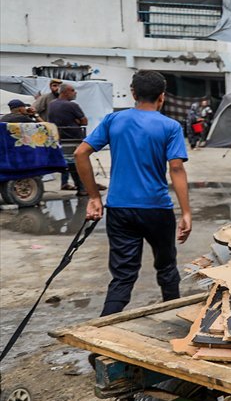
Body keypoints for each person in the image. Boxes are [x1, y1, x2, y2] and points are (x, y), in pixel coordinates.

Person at [75, 71, 191, 316]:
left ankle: (103, 332)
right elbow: (177, 167)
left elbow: (80, 153)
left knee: (123, 276)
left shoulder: (113, 120)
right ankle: (174, 318)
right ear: (162, 97)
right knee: (167, 267)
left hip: (119, 209)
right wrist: (186, 213)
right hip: (157, 209)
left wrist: (94, 196)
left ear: (133, 93)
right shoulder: (170, 126)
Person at [47, 83, 88, 191]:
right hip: (73, 137)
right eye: (73, 90)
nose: (75, 93)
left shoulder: (51, 104)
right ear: (65, 92)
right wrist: (76, 121)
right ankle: (81, 188)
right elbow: (84, 121)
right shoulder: (72, 105)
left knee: (67, 161)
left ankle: (69, 184)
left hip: (59, 137)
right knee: (75, 163)